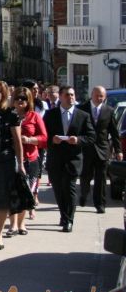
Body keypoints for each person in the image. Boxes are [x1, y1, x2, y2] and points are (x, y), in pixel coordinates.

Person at [43, 85, 95, 232]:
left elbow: (91, 137)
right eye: (67, 95)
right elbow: (43, 136)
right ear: (60, 97)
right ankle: (63, 215)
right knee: (59, 190)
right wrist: (52, 141)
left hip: (73, 159)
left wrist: (78, 140)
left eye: (72, 95)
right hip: (56, 159)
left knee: (70, 189)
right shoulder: (50, 114)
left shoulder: (83, 115)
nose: (70, 97)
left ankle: (69, 220)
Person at [0, 81, 24, 249]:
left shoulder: (11, 114)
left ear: (4, 94)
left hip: (4, 161)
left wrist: (20, 163)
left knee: (1, 200)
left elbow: (17, 141)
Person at [78, 86, 122, 213]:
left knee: (101, 178)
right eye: (97, 95)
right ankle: (84, 194)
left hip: (103, 149)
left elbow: (114, 132)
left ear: (105, 97)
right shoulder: (82, 109)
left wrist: (118, 150)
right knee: (86, 176)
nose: (99, 98)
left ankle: (100, 204)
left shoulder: (109, 110)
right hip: (86, 149)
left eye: (101, 96)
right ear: (91, 95)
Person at [13, 87, 47, 225]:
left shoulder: (34, 116)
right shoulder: (10, 115)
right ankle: (14, 223)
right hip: (12, 159)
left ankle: (21, 223)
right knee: (14, 192)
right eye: (17, 98)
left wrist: (29, 140)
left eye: (24, 98)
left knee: (25, 191)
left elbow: (44, 138)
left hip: (30, 158)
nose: (20, 101)